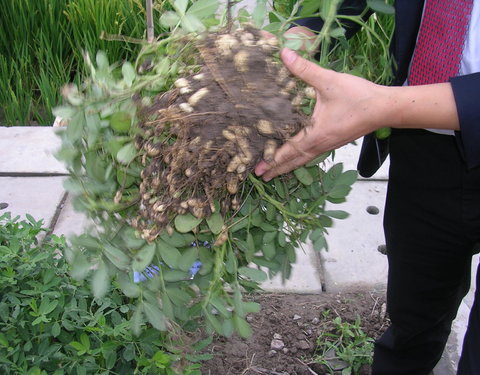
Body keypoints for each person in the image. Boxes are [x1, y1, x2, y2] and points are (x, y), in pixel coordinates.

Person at [255, 1, 480, 374]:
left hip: (405, 110)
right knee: (414, 313)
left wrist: (382, 106)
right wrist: (301, 35)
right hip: (425, 144)